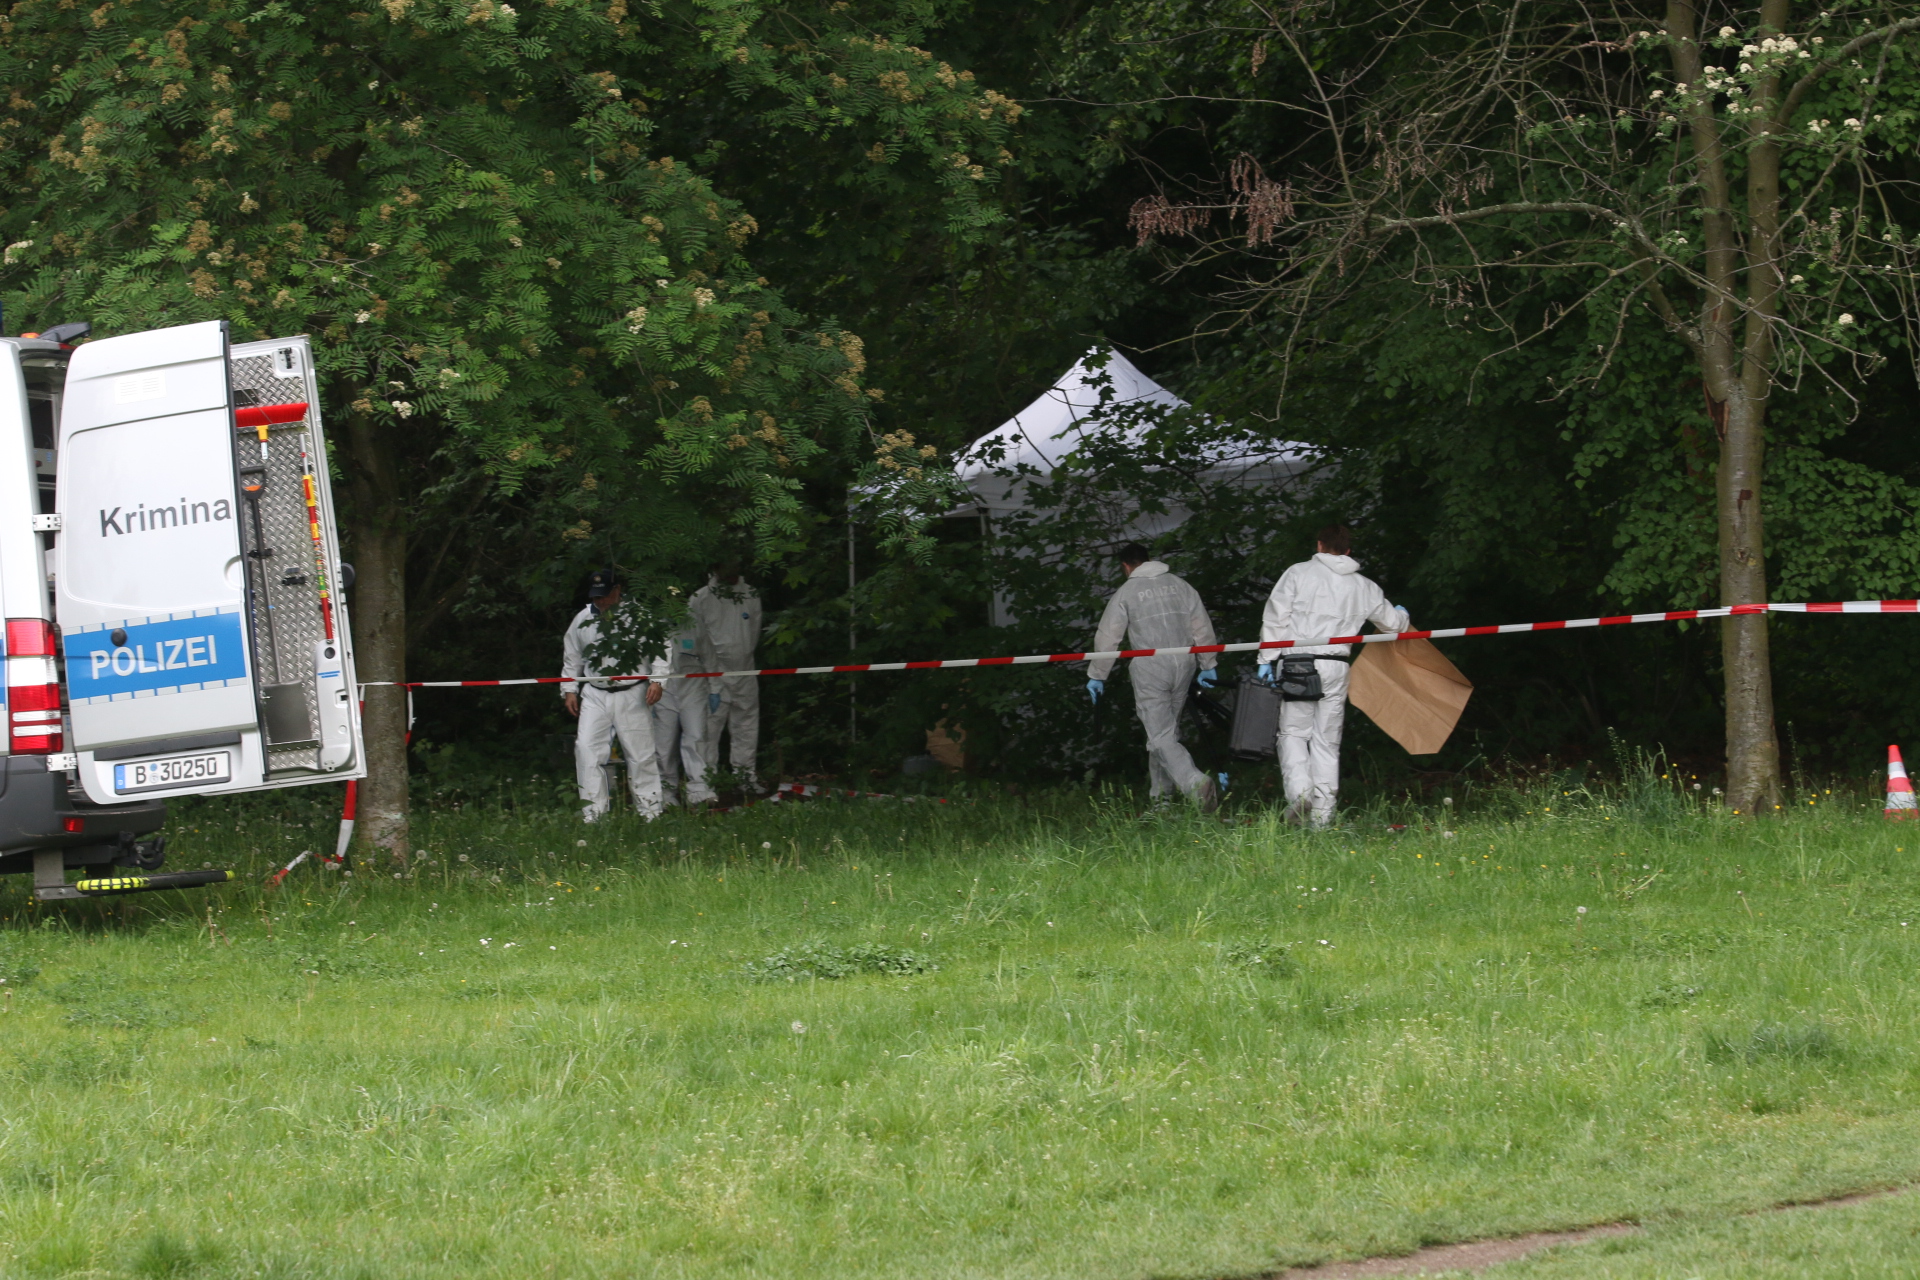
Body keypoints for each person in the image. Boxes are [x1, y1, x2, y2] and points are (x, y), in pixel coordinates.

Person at [1257, 524, 1410, 828]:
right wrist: (1403, 614)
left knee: (1293, 734)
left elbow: (1276, 616)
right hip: (1337, 666)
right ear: (1349, 551)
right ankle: (1322, 819)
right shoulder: (1364, 586)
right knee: (1327, 741)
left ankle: (1300, 796)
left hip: (1297, 664)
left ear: (1319, 545)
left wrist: (1265, 658)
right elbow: (1394, 625)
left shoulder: (1298, 573)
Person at [1086, 543, 1221, 811]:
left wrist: (1097, 675)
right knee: (1163, 734)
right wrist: (1208, 663)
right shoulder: (1180, 585)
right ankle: (1161, 802)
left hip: (1150, 668)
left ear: (1125, 566)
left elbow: (1108, 637)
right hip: (1184, 664)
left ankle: (1195, 783)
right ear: (1148, 559)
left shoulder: (1127, 592)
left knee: (1160, 736)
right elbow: (1202, 626)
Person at [562, 569, 671, 822]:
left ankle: (651, 813)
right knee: (586, 750)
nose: (601, 602)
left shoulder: (640, 615)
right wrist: (569, 688)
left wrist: (658, 680)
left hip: (632, 692)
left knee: (640, 754)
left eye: (605, 596)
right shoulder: (582, 618)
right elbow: (572, 655)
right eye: (596, 597)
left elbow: (661, 646)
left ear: (618, 590)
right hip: (594, 693)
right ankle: (593, 815)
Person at [690, 562, 764, 791]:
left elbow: (754, 632)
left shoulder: (750, 594)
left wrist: (743, 663)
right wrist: (712, 675)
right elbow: (696, 640)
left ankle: (745, 777)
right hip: (712, 675)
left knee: (747, 726)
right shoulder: (700, 598)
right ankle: (704, 784)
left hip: (745, 671)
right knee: (707, 730)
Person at [651, 622, 716, 806]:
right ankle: (665, 793)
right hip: (663, 690)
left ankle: (699, 791)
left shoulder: (695, 625)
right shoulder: (652, 626)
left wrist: (715, 688)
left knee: (696, 737)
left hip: (693, 687)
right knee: (663, 743)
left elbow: (710, 658)